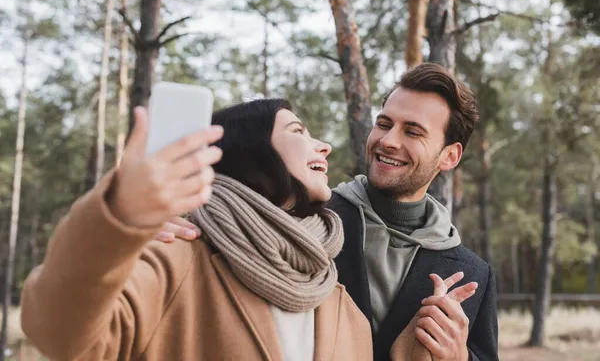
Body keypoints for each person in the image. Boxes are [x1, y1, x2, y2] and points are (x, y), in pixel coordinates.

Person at [21, 98, 475, 361]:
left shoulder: (338, 305)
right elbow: (59, 335)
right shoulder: (176, 256)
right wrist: (117, 216)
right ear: (253, 155)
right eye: (298, 130)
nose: (324, 144)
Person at [163, 64, 499, 361]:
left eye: (412, 131)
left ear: (449, 156)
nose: (388, 140)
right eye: (384, 124)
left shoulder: (473, 274)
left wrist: (458, 358)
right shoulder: (298, 221)